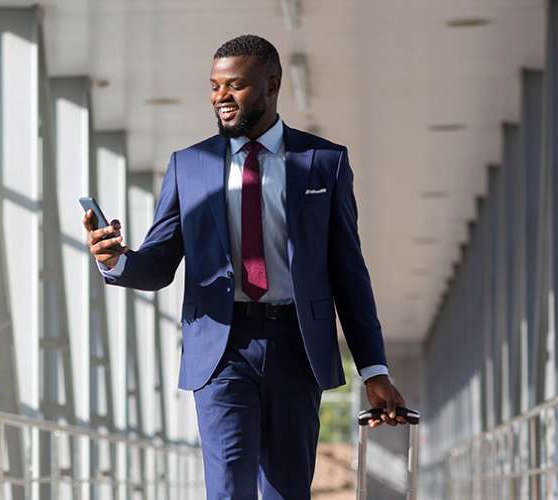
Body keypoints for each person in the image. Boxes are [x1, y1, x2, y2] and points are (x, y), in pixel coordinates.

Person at [82, 34, 407, 499]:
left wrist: (373, 369)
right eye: (214, 87)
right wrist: (117, 260)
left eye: (234, 86)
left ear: (272, 85)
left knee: (285, 491)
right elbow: (158, 264)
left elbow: (348, 272)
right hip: (221, 347)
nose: (220, 97)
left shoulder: (324, 163)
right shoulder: (188, 166)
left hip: (297, 346)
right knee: (229, 485)